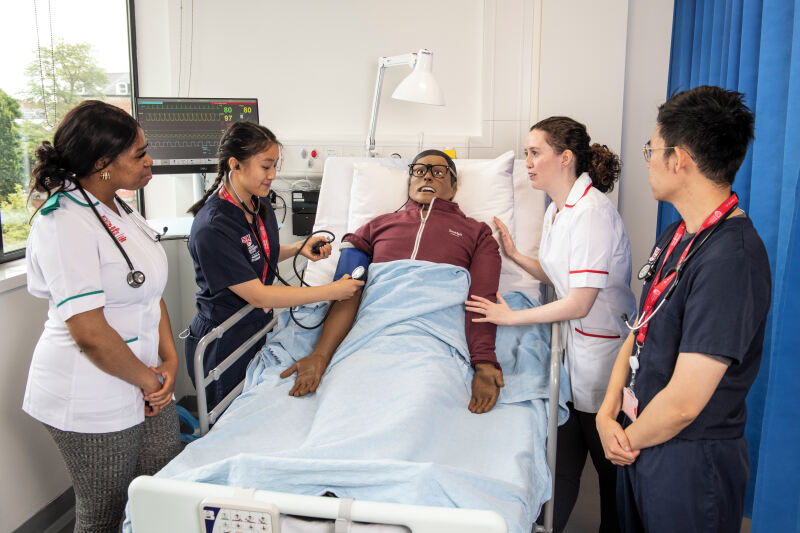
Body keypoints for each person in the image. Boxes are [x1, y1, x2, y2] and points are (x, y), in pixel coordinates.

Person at [595, 85, 770, 533]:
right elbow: (642, 327)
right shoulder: (677, 235)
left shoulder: (732, 258)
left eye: (650, 149)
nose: (648, 160)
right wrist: (606, 408)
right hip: (640, 439)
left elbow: (686, 403)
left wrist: (624, 442)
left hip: (688, 459)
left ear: (680, 159)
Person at [466, 117, 636, 532]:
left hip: (601, 355)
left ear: (565, 157)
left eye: (534, 152)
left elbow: (579, 302)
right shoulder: (558, 210)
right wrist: (515, 255)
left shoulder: (592, 213)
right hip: (574, 353)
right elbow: (558, 274)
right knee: (562, 464)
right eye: (526, 152)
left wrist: (511, 317)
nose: (528, 162)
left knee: (611, 472)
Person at [22, 100, 181, 533]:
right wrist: (151, 381)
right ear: (102, 164)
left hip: (148, 377)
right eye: (139, 154)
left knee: (160, 491)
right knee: (106, 513)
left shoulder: (118, 207)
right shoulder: (64, 222)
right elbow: (89, 332)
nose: (150, 162)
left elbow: (150, 294)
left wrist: (169, 362)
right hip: (90, 390)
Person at [279, 149, 506, 413]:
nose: (428, 177)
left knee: (424, 397)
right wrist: (320, 356)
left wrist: (485, 362)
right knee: (347, 398)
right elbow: (346, 291)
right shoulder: (374, 228)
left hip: (434, 337)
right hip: (373, 334)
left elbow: (482, 298)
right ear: (410, 182)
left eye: (439, 172)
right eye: (419, 171)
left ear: (454, 186)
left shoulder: (478, 234)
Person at [186, 122, 363, 412]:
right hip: (225, 343)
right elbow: (259, 295)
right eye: (266, 166)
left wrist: (299, 248)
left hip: (256, 330)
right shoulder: (213, 227)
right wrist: (331, 291)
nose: (273, 175)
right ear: (235, 164)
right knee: (231, 423)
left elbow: (255, 254)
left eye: (275, 166)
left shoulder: (258, 204)